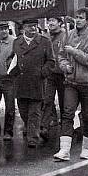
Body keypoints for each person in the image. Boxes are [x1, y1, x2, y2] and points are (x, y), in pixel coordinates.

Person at [54, 7, 88, 162]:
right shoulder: (69, 35)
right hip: (71, 81)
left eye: (81, 17)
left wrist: (74, 52)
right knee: (67, 113)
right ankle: (64, 150)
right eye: (76, 17)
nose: (78, 20)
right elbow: (61, 55)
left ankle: (87, 148)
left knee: (87, 115)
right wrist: (64, 66)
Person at [12, 18, 55, 147]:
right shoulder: (17, 42)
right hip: (21, 81)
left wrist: (42, 72)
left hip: (37, 82)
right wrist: (11, 67)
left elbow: (51, 61)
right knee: (23, 111)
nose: (33, 29)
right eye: (30, 26)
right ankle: (35, 129)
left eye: (35, 26)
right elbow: (12, 58)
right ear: (23, 28)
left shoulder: (44, 41)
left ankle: (33, 138)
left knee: (34, 111)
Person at [41, 17, 68, 136]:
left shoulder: (65, 35)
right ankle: (44, 126)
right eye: (49, 21)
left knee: (64, 101)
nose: (50, 23)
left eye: (53, 21)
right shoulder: (46, 36)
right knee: (47, 99)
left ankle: (65, 125)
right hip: (50, 73)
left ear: (60, 23)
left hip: (63, 74)